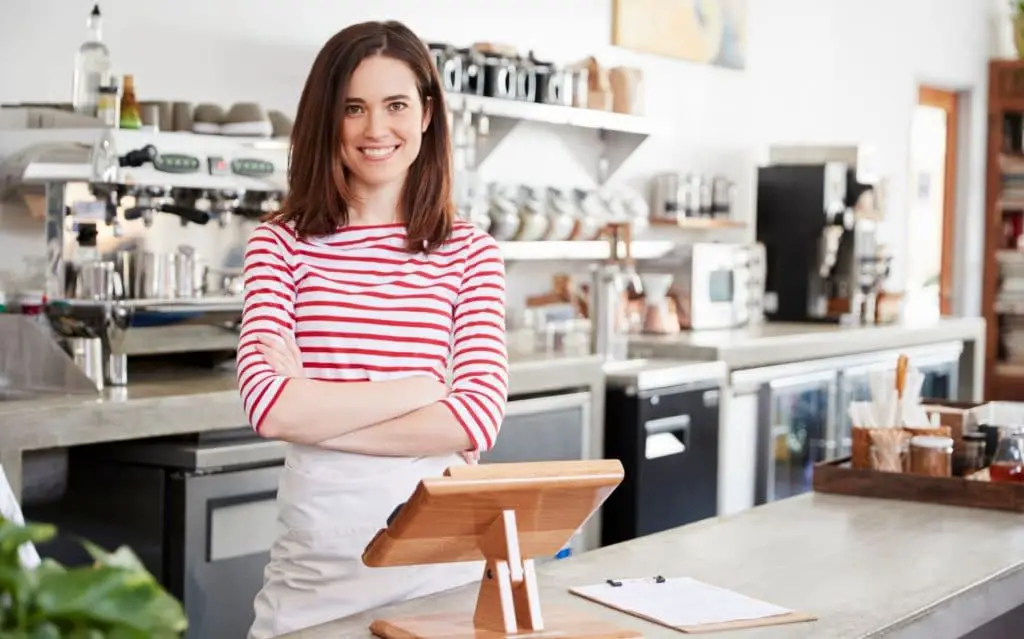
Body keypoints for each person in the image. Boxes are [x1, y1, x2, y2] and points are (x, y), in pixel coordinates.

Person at [234, 20, 508, 639]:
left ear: (428, 114)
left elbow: (476, 418)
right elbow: (272, 409)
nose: (375, 129)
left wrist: (321, 410)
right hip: (316, 578)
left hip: (441, 576)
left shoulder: (470, 251)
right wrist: (425, 387)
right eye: (353, 108)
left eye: (395, 105)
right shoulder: (279, 244)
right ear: (327, 118)